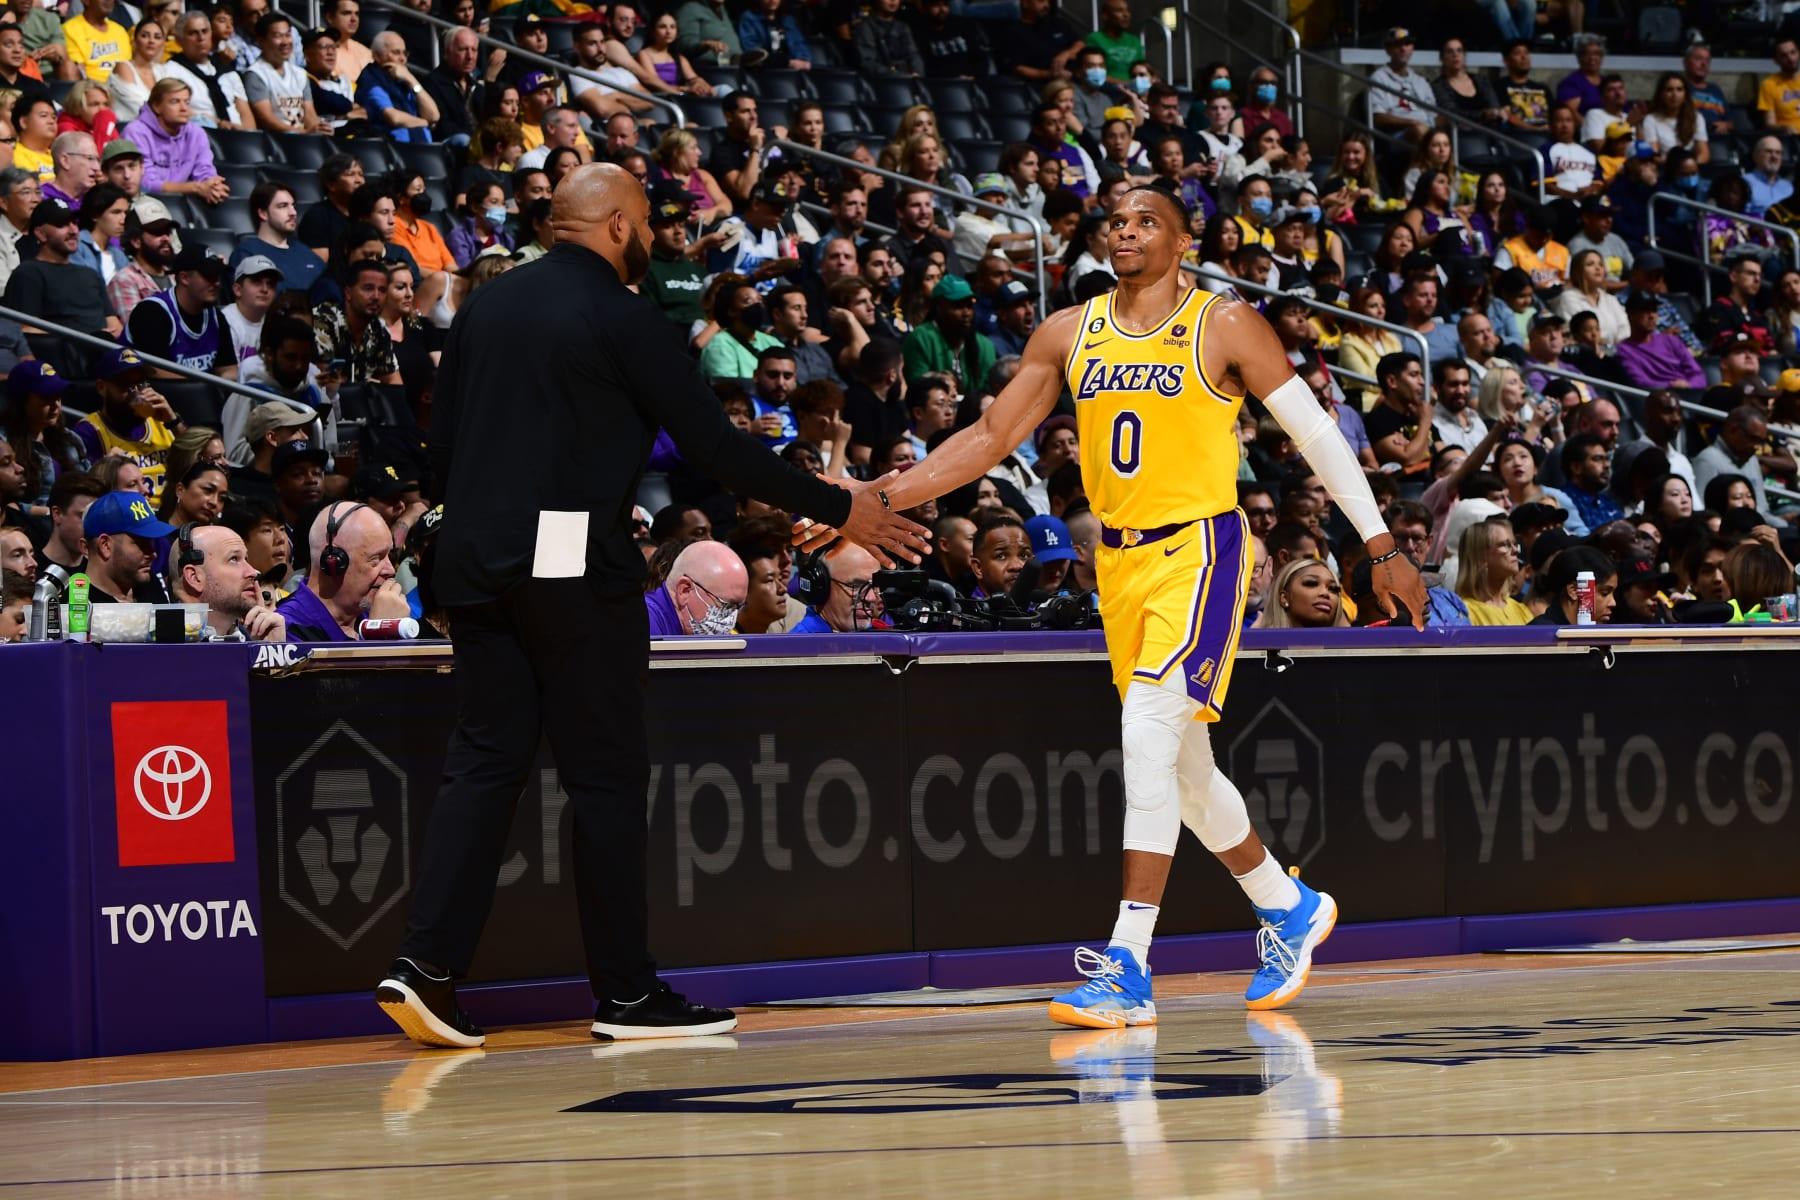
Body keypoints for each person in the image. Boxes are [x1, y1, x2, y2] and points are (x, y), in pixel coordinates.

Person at [374, 163, 926, 1049]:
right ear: (621, 226)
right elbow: (714, 446)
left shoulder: (485, 306)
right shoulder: (622, 314)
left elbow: (439, 442)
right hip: (568, 564)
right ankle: (626, 994)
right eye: (645, 224)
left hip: (471, 561)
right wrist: (838, 504)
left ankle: (424, 966)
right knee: (605, 778)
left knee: (483, 763)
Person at [852, 183, 1426, 1026]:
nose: (1125, 230)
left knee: (1146, 732)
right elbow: (989, 439)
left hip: (1201, 548)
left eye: (1147, 220)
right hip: (1118, 566)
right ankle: (1288, 905)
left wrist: (1381, 545)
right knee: (1185, 770)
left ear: (1184, 241)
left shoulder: (1223, 323)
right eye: (1117, 220)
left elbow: (1314, 434)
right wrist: (878, 496)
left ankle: (1127, 962)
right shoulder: (1068, 330)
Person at [4, 198, 119, 344]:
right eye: (62, 225)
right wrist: (86, 339)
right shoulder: (28, 273)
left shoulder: (89, 274)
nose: (73, 231)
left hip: (104, 352)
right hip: (59, 355)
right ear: (41, 233)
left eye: (74, 223)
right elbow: (25, 329)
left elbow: (115, 326)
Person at [121, 79, 228, 204]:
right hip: (144, 203)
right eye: (175, 102)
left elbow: (205, 170)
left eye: (187, 102)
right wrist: (195, 187)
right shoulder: (136, 132)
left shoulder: (196, 133)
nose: (184, 108)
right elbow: (144, 183)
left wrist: (213, 185)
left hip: (183, 202)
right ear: (156, 106)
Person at [78, 488, 173, 603]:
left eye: (151, 542)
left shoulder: (151, 586)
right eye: (141, 543)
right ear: (105, 546)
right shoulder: (74, 606)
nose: (153, 554)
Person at [166, 11, 254, 132]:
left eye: (205, 31)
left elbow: (245, 113)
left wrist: (248, 136)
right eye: (193, 33)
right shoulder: (170, 71)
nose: (201, 38)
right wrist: (219, 123)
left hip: (239, 136)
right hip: (199, 135)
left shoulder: (227, 71)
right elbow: (175, 110)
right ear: (179, 40)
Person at [644, 539, 747, 635]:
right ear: (684, 590)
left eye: (738, 608)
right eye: (727, 606)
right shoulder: (645, 620)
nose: (731, 620)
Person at [356, 31, 439, 144]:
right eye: (396, 53)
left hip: (423, 146)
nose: (403, 59)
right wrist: (426, 123)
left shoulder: (405, 79)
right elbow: (394, 118)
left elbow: (434, 115)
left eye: (405, 53)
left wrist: (412, 80)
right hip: (394, 147)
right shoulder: (371, 80)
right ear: (377, 56)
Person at [1368, 27, 1436, 147]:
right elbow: (1377, 117)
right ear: (1388, 50)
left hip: (1425, 129)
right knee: (1419, 131)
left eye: (1407, 44)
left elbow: (1433, 114)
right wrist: (1411, 123)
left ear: (1412, 48)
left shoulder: (1420, 81)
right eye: (1397, 44)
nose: (1403, 48)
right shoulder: (1379, 78)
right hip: (1395, 135)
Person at [1256, 557, 1347, 628]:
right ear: (1284, 597)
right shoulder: (1256, 643)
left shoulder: (1351, 645)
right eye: (1311, 583)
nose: (1325, 593)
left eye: (1333, 589)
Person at [1760, 37, 1800, 133]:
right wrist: (1784, 128)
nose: (1790, 59)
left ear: (1798, 53)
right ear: (1776, 60)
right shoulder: (1769, 84)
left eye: (1793, 52)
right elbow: (1770, 123)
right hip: (1789, 137)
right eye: (1784, 56)